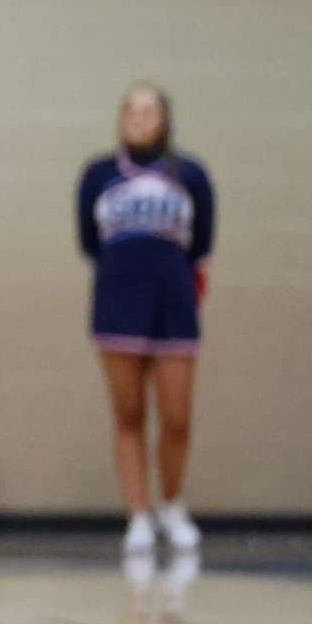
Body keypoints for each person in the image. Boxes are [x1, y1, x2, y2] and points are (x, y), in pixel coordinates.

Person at [78, 83, 214, 556]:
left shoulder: (191, 174)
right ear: (119, 119)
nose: (138, 119)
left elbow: (202, 242)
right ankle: (137, 515)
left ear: (164, 119)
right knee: (128, 414)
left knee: (177, 418)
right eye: (130, 111)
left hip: (173, 302)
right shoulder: (98, 174)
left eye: (148, 111)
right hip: (117, 301)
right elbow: (88, 242)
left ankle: (172, 505)